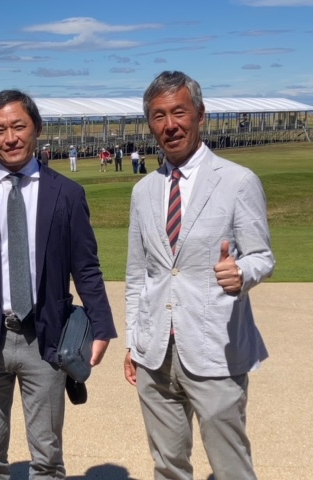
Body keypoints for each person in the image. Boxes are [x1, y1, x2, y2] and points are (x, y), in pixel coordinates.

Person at [0, 89, 116, 479]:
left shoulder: (67, 194)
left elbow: (86, 268)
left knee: (47, 459)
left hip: (45, 339)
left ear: (36, 128)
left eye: (19, 126)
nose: (10, 138)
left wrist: (102, 325)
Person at [124, 71, 275, 480]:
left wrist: (241, 272)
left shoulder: (238, 181)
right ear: (150, 123)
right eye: (158, 116)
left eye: (179, 112)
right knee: (168, 466)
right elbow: (138, 274)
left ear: (200, 115)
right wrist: (134, 341)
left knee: (231, 467)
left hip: (215, 350)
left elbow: (262, 255)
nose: (170, 125)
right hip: (156, 352)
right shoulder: (143, 191)